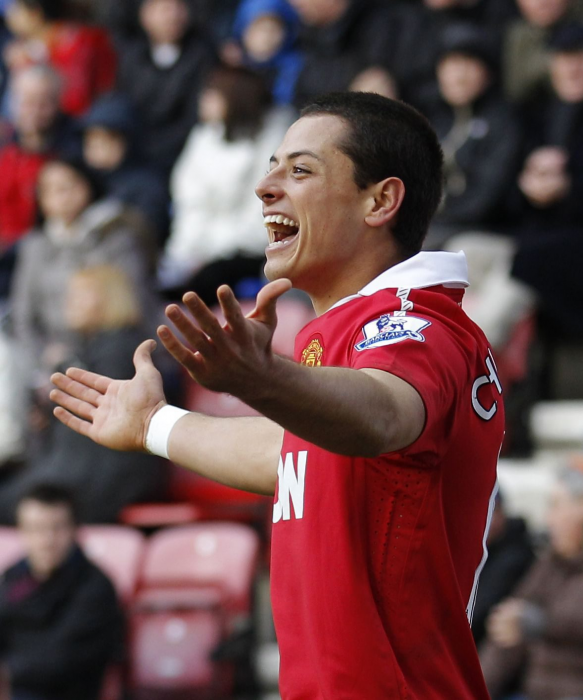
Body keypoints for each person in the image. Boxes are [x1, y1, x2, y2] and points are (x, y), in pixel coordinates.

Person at [50, 92, 505, 698]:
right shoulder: (346, 336)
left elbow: (383, 414)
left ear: (380, 201)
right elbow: (292, 453)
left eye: (300, 170)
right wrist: (153, 425)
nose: (265, 188)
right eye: (271, 167)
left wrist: (261, 380)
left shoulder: (416, 323)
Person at [158, 65, 294, 301]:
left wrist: (210, 251)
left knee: (205, 283)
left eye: (212, 95)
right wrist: (186, 253)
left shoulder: (275, 142)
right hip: (201, 248)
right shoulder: (203, 137)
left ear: (236, 99)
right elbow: (190, 203)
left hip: (251, 249)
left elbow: (261, 216)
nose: (203, 101)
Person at [0, 483, 124, 700]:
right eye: (36, 528)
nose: (47, 540)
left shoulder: (96, 587)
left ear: (75, 529)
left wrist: (7, 671)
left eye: (57, 528)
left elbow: (60, 661)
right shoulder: (13, 577)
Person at [480, 457, 583, 699]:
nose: (549, 520)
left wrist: (540, 622)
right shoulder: (550, 563)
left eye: (557, 506)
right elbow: (507, 633)